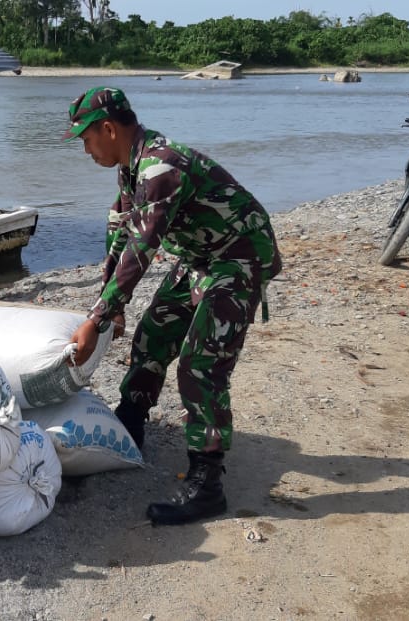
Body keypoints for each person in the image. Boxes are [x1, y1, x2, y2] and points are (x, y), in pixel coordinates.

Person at [63, 86, 282, 526]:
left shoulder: (161, 167)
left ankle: (207, 480)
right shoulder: (130, 169)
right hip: (201, 255)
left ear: (108, 128)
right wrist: (113, 304)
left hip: (238, 256)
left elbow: (143, 248)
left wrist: (96, 318)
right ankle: (131, 423)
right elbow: (120, 236)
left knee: (201, 364)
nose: (85, 150)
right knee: (154, 333)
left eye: (86, 139)